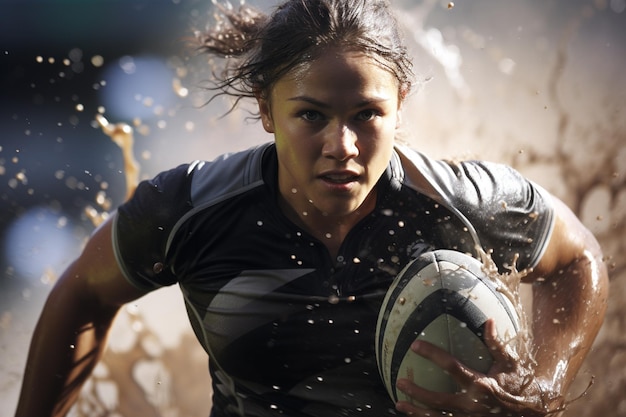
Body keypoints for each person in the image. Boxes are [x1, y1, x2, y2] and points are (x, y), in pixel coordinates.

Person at [15, 0, 608, 416]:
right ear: (267, 110)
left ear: (399, 106)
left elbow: (578, 258)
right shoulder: (188, 210)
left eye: (366, 116)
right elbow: (85, 293)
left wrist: (544, 387)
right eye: (311, 116)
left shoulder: (458, 204)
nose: (342, 146)